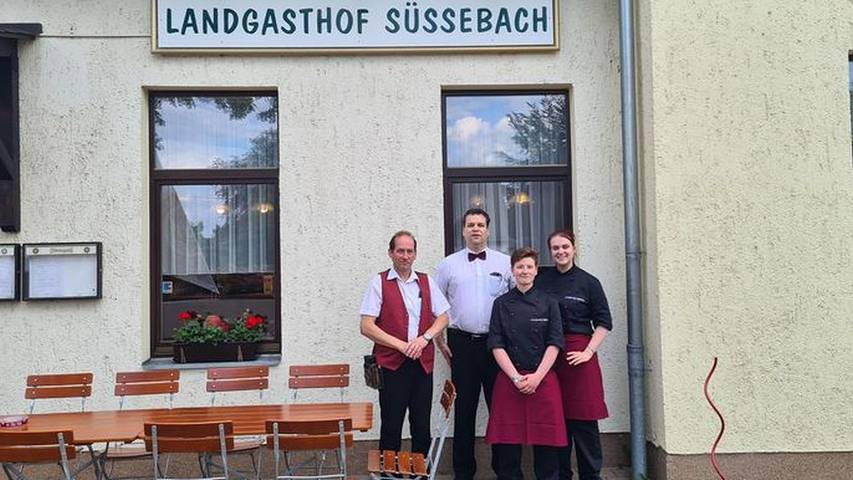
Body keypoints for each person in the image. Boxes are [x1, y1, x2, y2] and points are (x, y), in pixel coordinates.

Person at [434, 208, 512, 480]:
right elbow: (436, 306)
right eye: (470, 225)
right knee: (464, 410)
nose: (475, 229)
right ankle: (463, 473)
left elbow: (516, 303)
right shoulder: (448, 265)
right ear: (463, 230)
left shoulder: (505, 263)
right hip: (462, 344)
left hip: (496, 345)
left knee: (500, 410)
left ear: (488, 230)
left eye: (480, 224)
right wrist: (439, 341)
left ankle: (504, 471)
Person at [360, 230, 450, 455]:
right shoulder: (379, 282)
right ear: (390, 253)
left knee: (421, 425)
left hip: (422, 364)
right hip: (391, 365)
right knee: (391, 424)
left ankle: (421, 470)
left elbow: (443, 316)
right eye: (400, 251)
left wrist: (425, 338)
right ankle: (389, 472)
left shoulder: (426, 281)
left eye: (410, 251)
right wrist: (401, 345)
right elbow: (366, 326)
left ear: (415, 254)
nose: (405, 256)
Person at [536, 230, 612, 480]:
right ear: (550, 252)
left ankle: (591, 475)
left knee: (584, 421)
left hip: (579, 356)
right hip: (550, 356)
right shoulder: (542, 280)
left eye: (565, 247)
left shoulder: (589, 282)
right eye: (555, 248)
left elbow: (604, 322)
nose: (561, 252)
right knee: (555, 420)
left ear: (574, 248)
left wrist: (588, 352)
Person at [485, 247, 566, 480]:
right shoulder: (501, 304)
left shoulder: (549, 302)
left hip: (543, 378)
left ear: (536, 270)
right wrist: (515, 377)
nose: (524, 271)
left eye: (529, 266)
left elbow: (555, 342)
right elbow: (496, 344)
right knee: (508, 444)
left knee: (547, 443)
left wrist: (537, 377)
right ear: (512, 270)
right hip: (510, 379)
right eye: (520, 266)